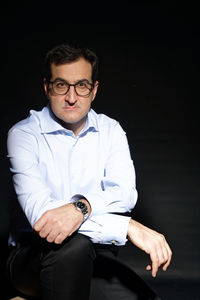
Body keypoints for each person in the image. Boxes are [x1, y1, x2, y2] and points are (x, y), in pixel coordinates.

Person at [6, 43, 172, 300]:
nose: (71, 97)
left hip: (94, 257)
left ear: (94, 90)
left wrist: (81, 207)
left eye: (81, 85)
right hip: (31, 258)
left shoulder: (111, 130)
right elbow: (46, 220)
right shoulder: (24, 134)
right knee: (74, 247)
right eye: (61, 85)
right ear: (47, 88)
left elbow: (124, 193)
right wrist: (127, 226)